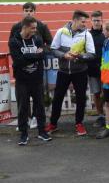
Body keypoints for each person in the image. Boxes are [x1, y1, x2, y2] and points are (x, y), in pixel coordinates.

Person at [46, 10, 95, 136]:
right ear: (75, 20)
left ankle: (79, 123)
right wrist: (64, 55)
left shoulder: (86, 35)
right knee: (57, 98)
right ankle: (53, 124)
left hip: (80, 72)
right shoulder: (61, 32)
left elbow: (92, 54)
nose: (85, 24)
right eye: (83, 22)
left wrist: (79, 57)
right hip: (63, 71)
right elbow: (53, 49)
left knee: (80, 98)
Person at [9, 16, 49, 145]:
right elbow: (18, 61)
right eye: (32, 28)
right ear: (24, 27)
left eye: (35, 28)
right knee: (23, 108)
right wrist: (35, 55)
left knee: (40, 106)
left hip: (36, 79)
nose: (35, 30)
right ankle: (24, 134)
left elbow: (43, 54)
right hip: (22, 80)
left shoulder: (37, 38)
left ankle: (42, 131)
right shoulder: (14, 41)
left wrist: (29, 56)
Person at [88, 11, 106, 128]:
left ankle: (107, 113)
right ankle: (101, 115)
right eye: (94, 20)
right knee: (96, 93)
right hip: (92, 69)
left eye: (98, 20)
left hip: (106, 69)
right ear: (91, 21)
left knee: (107, 92)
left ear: (102, 21)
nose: (96, 22)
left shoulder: (106, 34)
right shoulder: (87, 35)